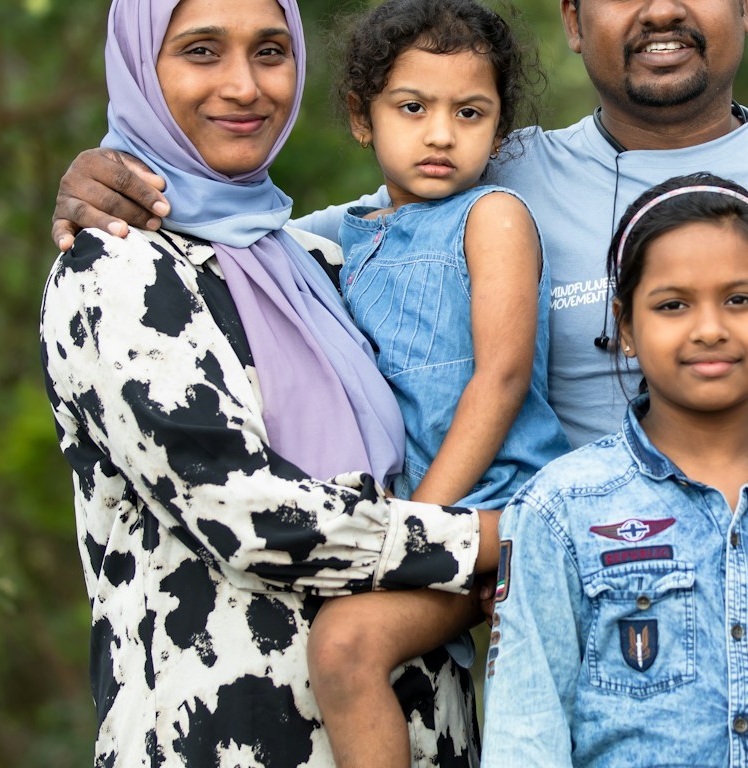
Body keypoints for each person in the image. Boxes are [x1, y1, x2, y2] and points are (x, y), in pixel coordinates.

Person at [48, 0, 748, 482]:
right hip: (594, 662)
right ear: (572, 20)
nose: (660, 10)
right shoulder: (491, 183)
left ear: (747, 6)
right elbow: (267, 248)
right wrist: (124, 182)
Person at [39, 1, 498, 765]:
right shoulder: (115, 270)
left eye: (270, 51)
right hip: (230, 735)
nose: (244, 86)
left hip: (423, 729)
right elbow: (245, 513)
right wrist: (492, 540)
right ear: (140, 66)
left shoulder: (316, 263)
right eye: (201, 51)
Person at [480, 173, 748, 766]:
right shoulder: (558, 509)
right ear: (625, 327)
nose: (709, 329)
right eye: (672, 305)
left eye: (739, 300)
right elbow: (525, 737)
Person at [294, 3, 569, 766]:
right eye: (412, 108)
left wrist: (415, 527)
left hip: (497, 506)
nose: (441, 134)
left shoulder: (493, 216)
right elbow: (240, 238)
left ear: (500, 130)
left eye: (469, 112)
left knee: (345, 644)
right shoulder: (348, 235)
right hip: (429, 522)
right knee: (340, 646)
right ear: (363, 117)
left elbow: (502, 377)